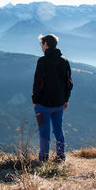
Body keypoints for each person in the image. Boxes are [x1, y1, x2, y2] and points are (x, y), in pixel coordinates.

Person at [32, 34, 73, 162]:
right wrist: (66, 100)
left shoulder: (42, 61)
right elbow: (68, 83)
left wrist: (35, 100)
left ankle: (43, 159)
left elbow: (37, 83)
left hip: (42, 105)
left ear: (46, 44)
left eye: (41, 44)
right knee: (58, 131)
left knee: (44, 132)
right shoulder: (64, 61)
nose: (41, 47)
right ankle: (61, 157)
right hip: (59, 104)